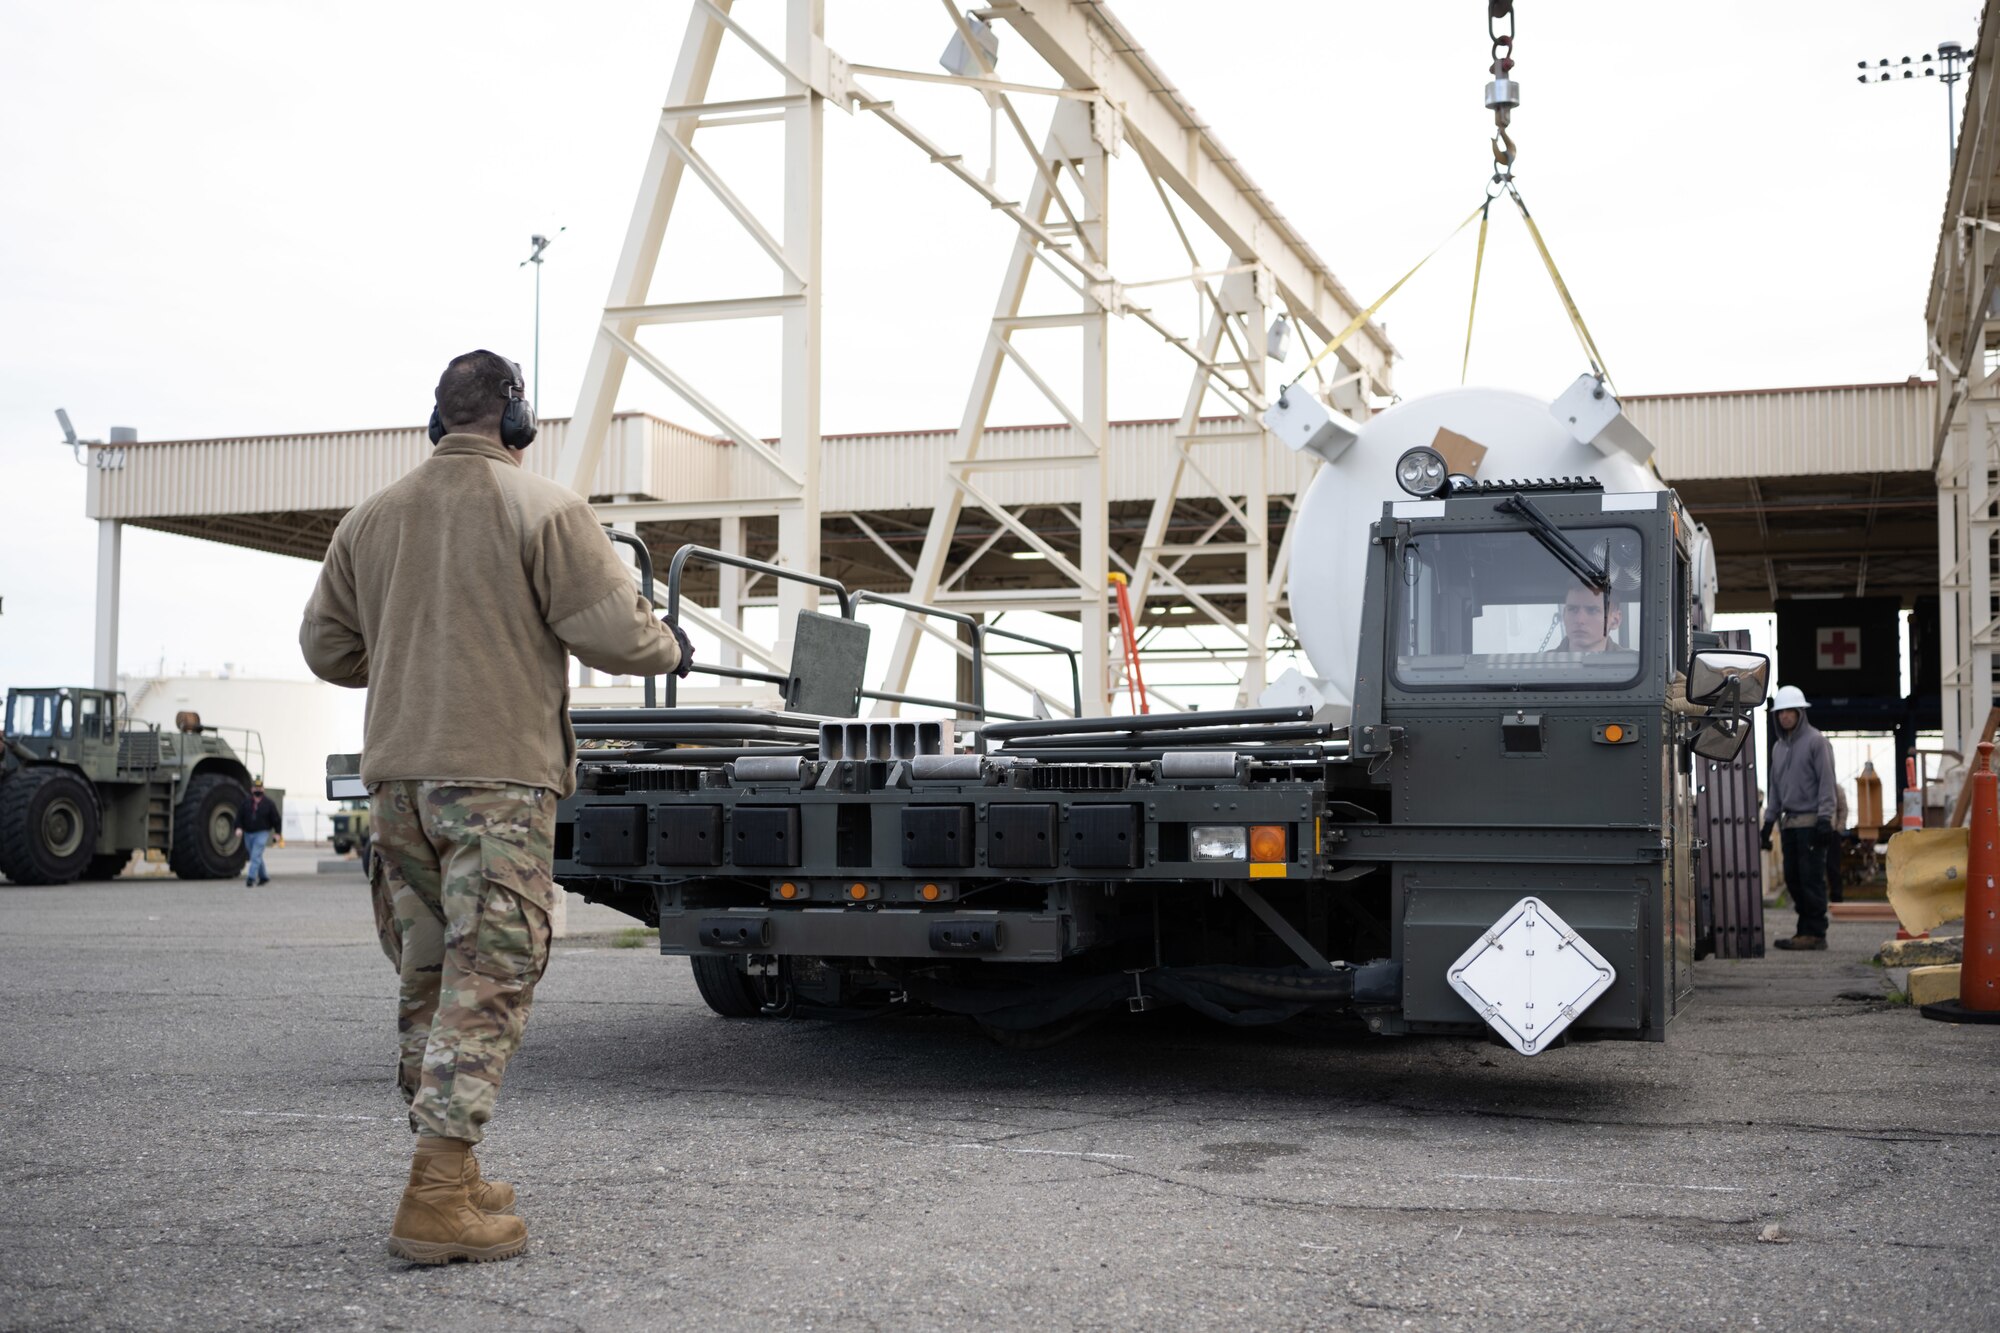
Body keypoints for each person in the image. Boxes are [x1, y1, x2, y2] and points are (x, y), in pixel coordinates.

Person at [299, 350, 693, 1265]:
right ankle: (436, 1196)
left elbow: (326, 646)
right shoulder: (543, 508)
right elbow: (616, 632)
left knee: (430, 972)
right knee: (493, 970)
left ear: (437, 421)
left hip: (397, 778)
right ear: (516, 419)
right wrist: (669, 644)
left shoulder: (371, 517)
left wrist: (407, 651)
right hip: (497, 779)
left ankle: (450, 1164)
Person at [1760, 685, 1837, 951]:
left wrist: (1826, 818)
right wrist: (1768, 824)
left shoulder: (1817, 741)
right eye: (1780, 713)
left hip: (1812, 823)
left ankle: (1815, 933)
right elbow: (1775, 789)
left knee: (1810, 879)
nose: (1785, 717)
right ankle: (1804, 931)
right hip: (1790, 825)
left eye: (1790, 711)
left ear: (1800, 713)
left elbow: (1827, 782)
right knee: (1793, 879)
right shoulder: (1778, 748)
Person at [238, 779, 282, 887]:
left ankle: (251, 878)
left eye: (259, 788)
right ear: (252, 789)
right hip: (248, 834)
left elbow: (276, 819)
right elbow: (239, 817)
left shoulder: (269, 803)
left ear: (263, 789)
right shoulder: (246, 802)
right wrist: (238, 827)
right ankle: (263, 876)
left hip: (262, 833)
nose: (257, 790)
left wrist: (277, 833)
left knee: (255, 855)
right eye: (255, 788)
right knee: (256, 856)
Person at [1555, 583, 1621, 652]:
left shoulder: (1631, 662)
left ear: (1615, 620)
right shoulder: (1543, 661)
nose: (1579, 620)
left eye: (1592, 610)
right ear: (1564, 615)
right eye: (1572, 609)